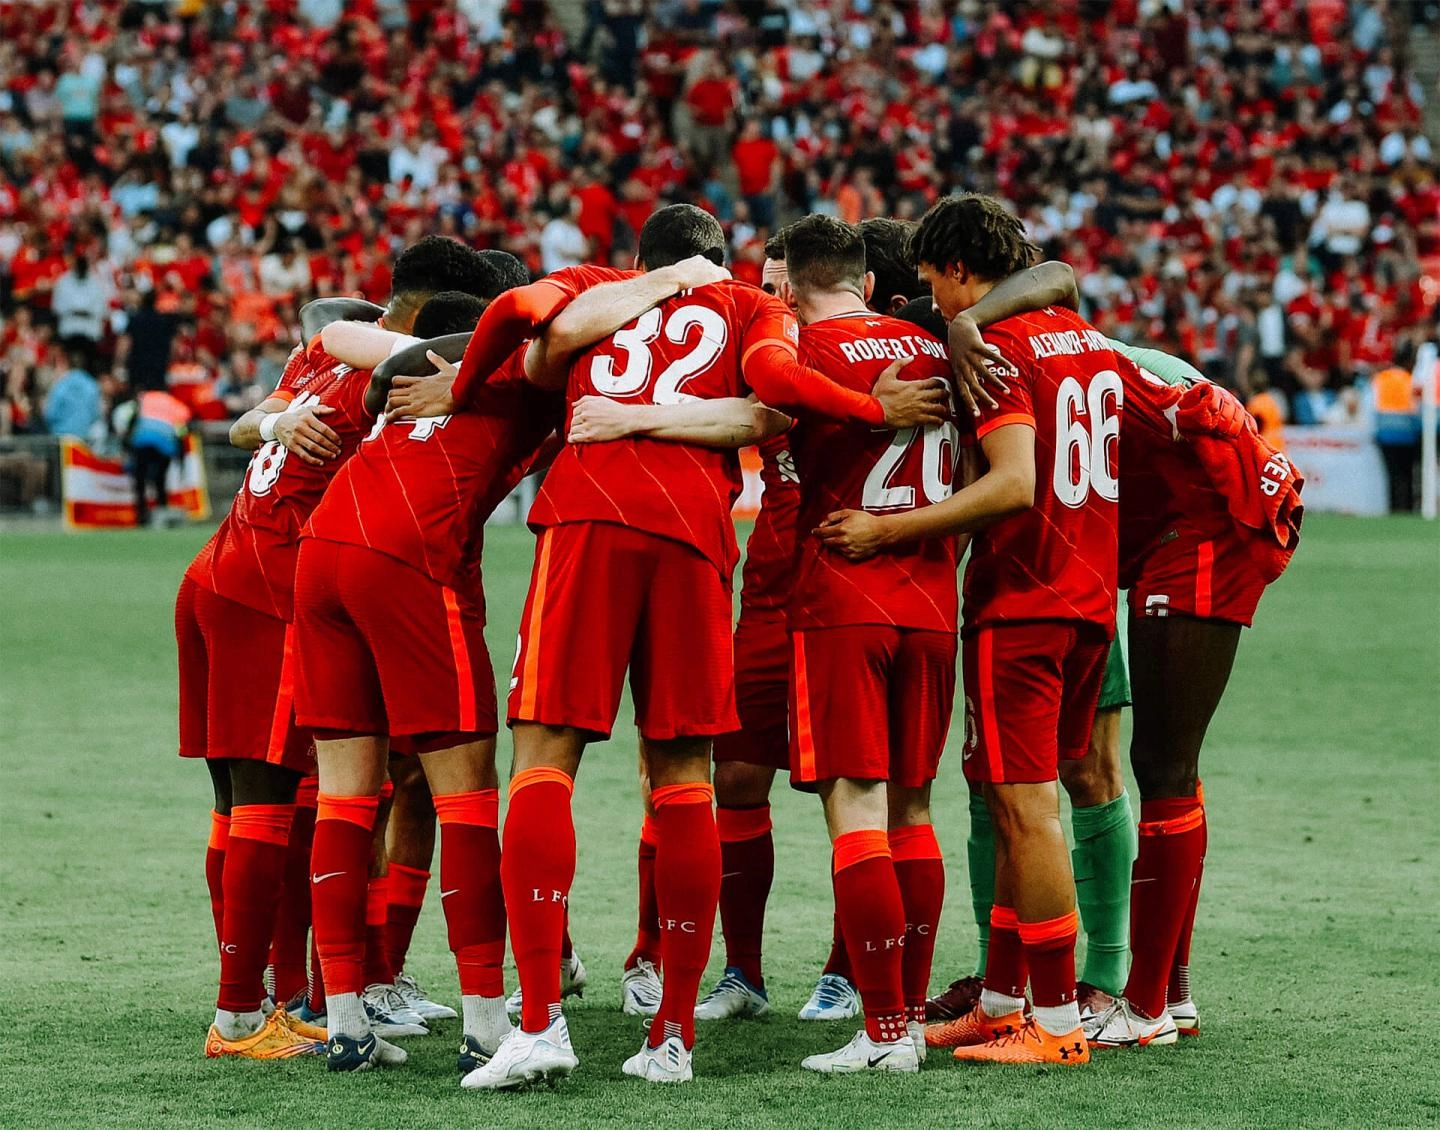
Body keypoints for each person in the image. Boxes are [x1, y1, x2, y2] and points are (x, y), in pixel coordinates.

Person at [463, 204, 949, 1091]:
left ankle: (538, 1025)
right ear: (724, 264)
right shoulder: (751, 308)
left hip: (587, 517)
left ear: (642, 256)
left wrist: (473, 385)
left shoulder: (594, 285)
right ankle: (672, 1036)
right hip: (697, 533)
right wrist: (869, 405)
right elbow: (769, 406)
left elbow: (526, 331)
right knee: (686, 775)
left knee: (543, 757)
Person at [293, 257, 737, 1076]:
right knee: (465, 793)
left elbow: (331, 329)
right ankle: (489, 1020)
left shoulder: (404, 364)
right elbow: (557, 341)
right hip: (413, 553)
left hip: (323, 548)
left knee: (347, 791)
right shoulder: (535, 376)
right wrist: (662, 283)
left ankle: (346, 1020)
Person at [818, 194, 1131, 1066]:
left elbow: (1012, 485)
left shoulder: (997, 346)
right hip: (1086, 598)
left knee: (1027, 809)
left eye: (934, 285)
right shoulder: (1085, 336)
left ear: (959, 269)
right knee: (1013, 799)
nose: (937, 305)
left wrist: (889, 529)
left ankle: (1058, 1022)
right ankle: (1001, 1001)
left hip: (1023, 600)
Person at [176, 236, 494, 1062]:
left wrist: (275, 416)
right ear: (431, 318)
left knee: (247, 802)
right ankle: (244, 1013)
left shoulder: (318, 354)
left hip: (220, 572)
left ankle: (293, 995)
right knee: (277, 802)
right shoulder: (394, 373)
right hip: (278, 591)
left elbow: (254, 417)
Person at [776, 215, 961, 1075]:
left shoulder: (802, 351)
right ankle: (911, 1021)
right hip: (932, 599)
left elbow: (746, 419)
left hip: (844, 592)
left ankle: (883, 1031)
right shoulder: (936, 347)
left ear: (795, 280)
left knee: (856, 811)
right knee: (914, 812)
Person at [113, 387, 192, 526]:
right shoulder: (173, 402)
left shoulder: (144, 398)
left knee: (140, 479)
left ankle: (141, 515)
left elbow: (130, 419)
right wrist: (180, 456)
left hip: (142, 440)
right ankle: (162, 512)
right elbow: (182, 429)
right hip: (165, 444)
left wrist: (126, 445)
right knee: (160, 479)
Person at [42, 354, 101, 439]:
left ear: (66, 364)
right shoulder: (92, 385)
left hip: (61, 437)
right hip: (84, 437)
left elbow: (50, 414)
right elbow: (96, 414)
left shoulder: (60, 385)